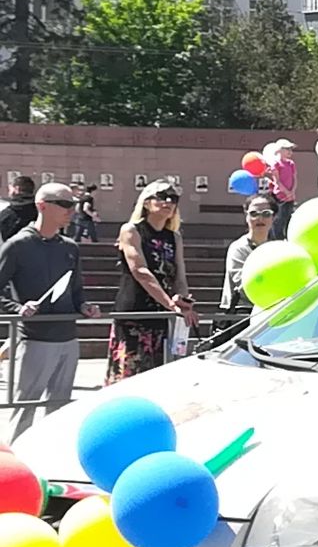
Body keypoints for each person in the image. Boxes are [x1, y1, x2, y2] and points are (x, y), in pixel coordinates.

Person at [0, 184, 99, 438]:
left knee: (59, 409)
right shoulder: (17, 245)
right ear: (42, 206)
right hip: (35, 338)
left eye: (74, 204)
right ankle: (16, 467)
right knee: (26, 407)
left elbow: (76, 291)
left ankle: (49, 464)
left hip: (68, 337)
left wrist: (85, 306)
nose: (72, 210)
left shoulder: (69, 247)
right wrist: (18, 307)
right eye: (65, 204)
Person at [110, 179, 196, 383]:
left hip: (163, 317)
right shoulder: (131, 230)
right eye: (162, 196)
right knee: (130, 376)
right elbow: (140, 271)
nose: (168, 201)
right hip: (135, 313)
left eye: (173, 198)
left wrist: (183, 300)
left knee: (159, 376)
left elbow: (180, 275)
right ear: (147, 203)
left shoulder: (174, 237)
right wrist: (169, 303)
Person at [221, 197, 276, 312]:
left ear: (274, 218)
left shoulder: (278, 249)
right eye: (254, 213)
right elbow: (242, 285)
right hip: (243, 311)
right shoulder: (238, 248)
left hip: (274, 311)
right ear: (247, 217)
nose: (260, 218)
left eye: (266, 214)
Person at [268, 139, 299, 239]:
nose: (290, 151)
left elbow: (294, 178)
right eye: (287, 149)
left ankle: (288, 239)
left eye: (291, 149)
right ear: (279, 150)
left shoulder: (291, 164)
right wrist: (286, 192)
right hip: (279, 197)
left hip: (290, 197)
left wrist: (292, 191)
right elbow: (277, 181)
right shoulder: (275, 164)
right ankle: (277, 240)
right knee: (279, 220)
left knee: (288, 219)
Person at [0, 175, 35, 243]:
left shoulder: (6, 215)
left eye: (10, 189)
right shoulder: (41, 211)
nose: (8, 192)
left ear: (16, 189)